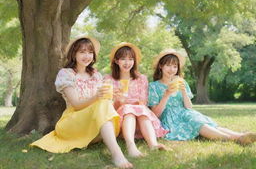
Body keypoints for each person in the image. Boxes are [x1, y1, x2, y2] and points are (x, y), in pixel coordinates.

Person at [31, 36, 133, 169]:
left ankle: (121, 147)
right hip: (72, 121)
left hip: (93, 121)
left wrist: (113, 96)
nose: (87, 56)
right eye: (82, 52)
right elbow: (76, 104)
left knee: (104, 104)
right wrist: (97, 96)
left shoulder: (96, 74)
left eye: (90, 52)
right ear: (74, 54)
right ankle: (117, 154)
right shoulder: (66, 74)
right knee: (101, 104)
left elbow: (103, 105)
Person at [148, 49, 256, 145]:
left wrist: (184, 92)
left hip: (185, 112)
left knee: (207, 123)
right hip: (171, 118)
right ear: (160, 66)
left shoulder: (181, 82)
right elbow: (155, 114)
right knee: (197, 123)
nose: (171, 69)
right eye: (168, 65)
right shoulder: (153, 86)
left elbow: (189, 107)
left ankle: (240, 135)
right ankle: (233, 139)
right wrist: (166, 95)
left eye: (175, 66)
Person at [104, 42, 168, 158]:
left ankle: (153, 144)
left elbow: (143, 102)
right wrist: (119, 102)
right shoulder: (108, 79)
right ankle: (130, 145)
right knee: (128, 110)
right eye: (123, 59)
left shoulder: (141, 78)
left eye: (131, 59)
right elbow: (108, 108)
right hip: (121, 121)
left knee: (137, 109)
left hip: (140, 121)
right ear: (116, 61)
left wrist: (129, 103)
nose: (127, 63)